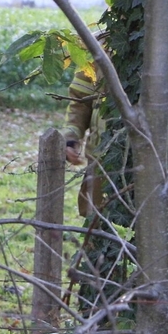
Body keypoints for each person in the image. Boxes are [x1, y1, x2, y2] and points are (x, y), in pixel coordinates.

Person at [62, 53, 105, 218]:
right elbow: (81, 99)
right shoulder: (100, 45)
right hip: (101, 156)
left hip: (154, 157)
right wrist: (72, 136)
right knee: (96, 224)